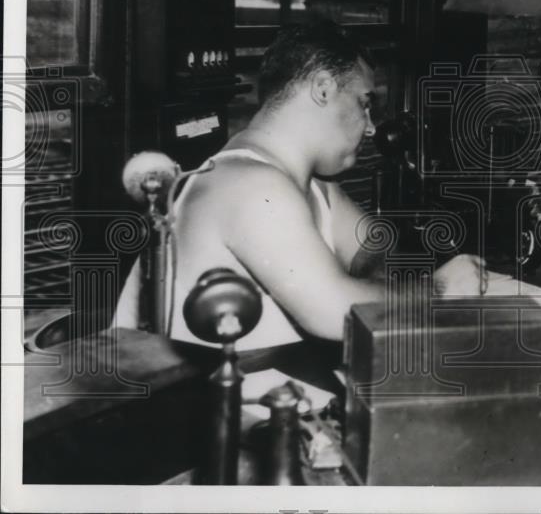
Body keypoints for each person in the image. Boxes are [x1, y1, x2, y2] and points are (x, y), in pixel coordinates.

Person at [114, 19, 484, 348]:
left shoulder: (314, 189)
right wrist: (438, 290)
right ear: (323, 88)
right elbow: (334, 312)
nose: (371, 126)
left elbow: (376, 247)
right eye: (364, 103)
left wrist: (380, 281)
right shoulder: (251, 188)